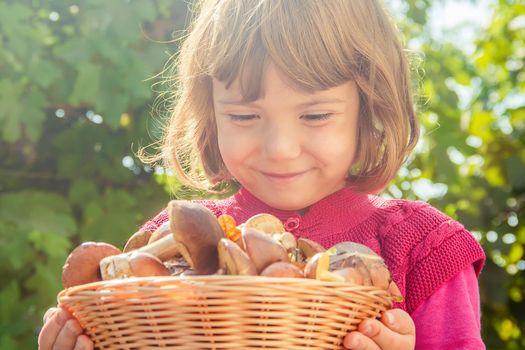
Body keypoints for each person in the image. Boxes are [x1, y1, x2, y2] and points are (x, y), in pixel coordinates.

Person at [38, 0, 486, 349]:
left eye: (314, 116)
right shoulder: (168, 243)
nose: (280, 149)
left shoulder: (424, 249)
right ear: (211, 115)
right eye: (245, 117)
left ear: (369, 110)